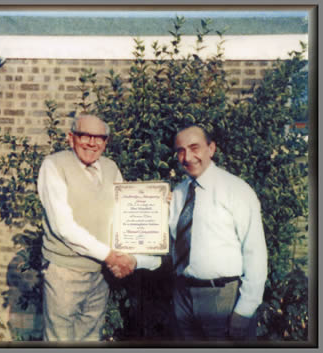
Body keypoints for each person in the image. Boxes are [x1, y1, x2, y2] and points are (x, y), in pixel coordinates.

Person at [37, 113, 160, 341]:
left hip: (100, 273)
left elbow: (124, 213)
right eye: (86, 136)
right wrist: (111, 256)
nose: (92, 143)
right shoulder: (54, 165)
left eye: (100, 138)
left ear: (106, 142)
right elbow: (63, 226)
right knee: (59, 339)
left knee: (91, 337)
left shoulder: (111, 167)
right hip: (65, 271)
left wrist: (157, 205)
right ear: (71, 138)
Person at [169, 124, 268, 341]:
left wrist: (245, 309)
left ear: (211, 149)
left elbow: (255, 252)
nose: (188, 157)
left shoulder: (237, 190)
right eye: (181, 150)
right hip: (183, 295)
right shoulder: (178, 193)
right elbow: (168, 244)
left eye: (195, 148)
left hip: (223, 297)